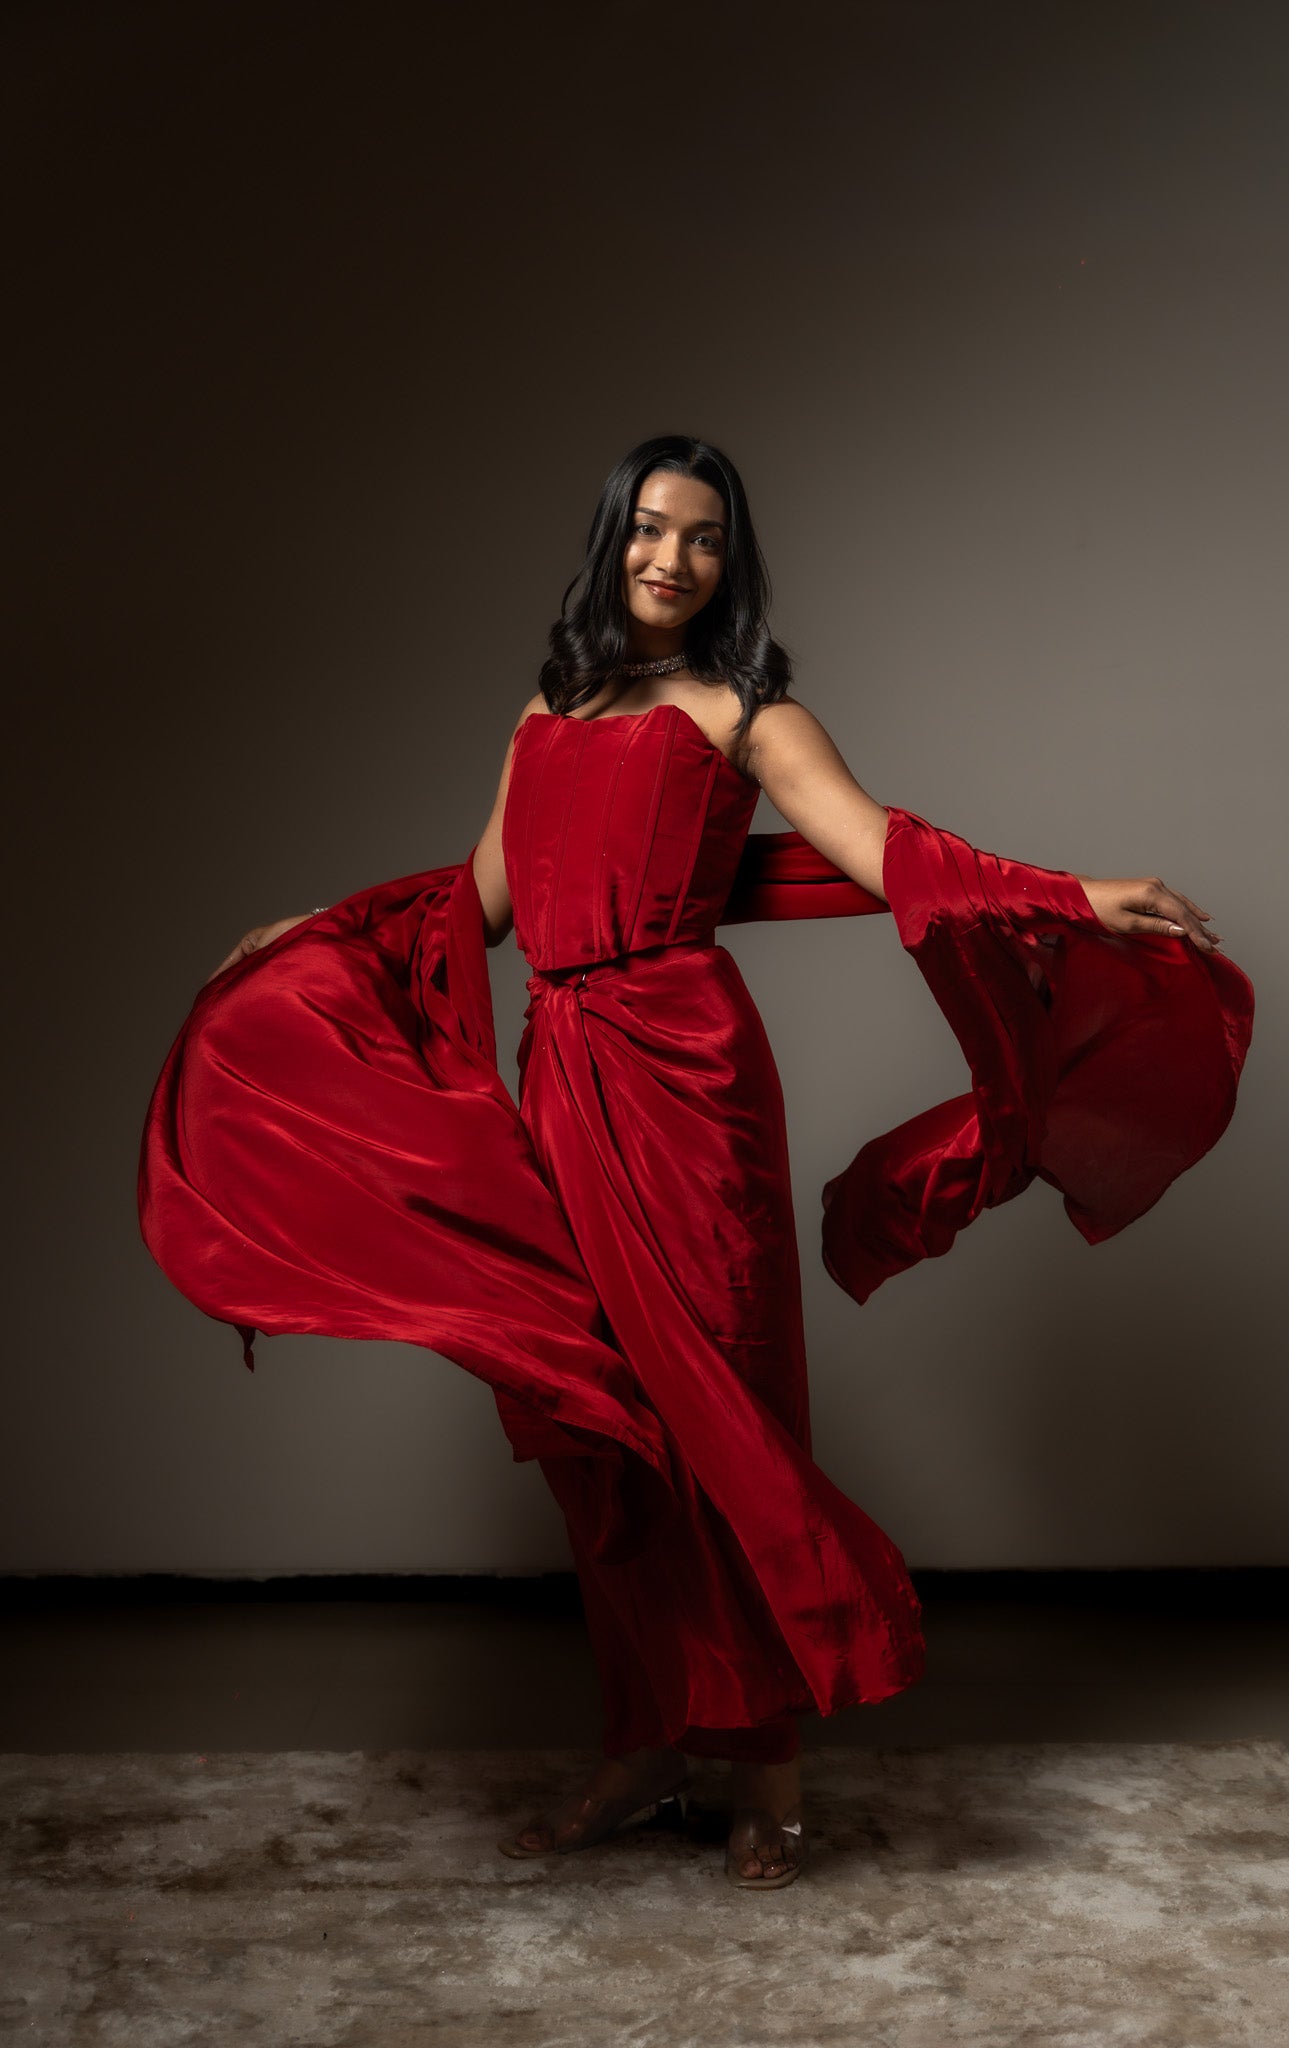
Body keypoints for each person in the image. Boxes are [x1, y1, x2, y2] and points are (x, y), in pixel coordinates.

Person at [171, 435, 1235, 1893]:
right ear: (610, 542)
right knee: (609, 1430)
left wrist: (1074, 894)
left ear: (731, 564)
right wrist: (312, 936)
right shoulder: (544, 708)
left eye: (704, 541)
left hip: (689, 1085)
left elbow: (883, 852)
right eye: (650, 532)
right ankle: (650, 1740)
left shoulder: (750, 713)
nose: (672, 561)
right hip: (564, 1081)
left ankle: (771, 1766)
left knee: (726, 1408)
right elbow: (475, 903)